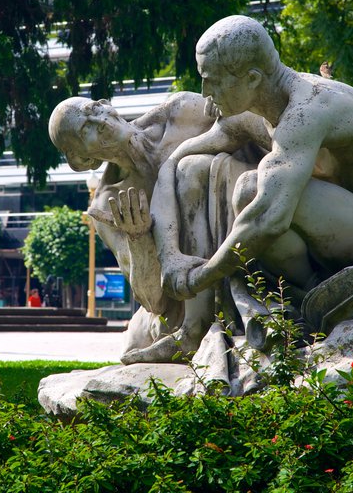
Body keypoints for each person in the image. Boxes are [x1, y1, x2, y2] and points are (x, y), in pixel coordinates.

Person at [153, 15, 353, 306]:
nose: (204, 93)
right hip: (352, 212)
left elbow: (268, 218)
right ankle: (309, 296)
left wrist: (200, 277)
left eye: (213, 81)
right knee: (252, 190)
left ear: (252, 79)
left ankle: (312, 300)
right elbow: (178, 159)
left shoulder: (308, 110)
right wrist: (170, 256)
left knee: (253, 191)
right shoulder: (262, 105)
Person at [48, 92, 226, 363]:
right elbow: (154, 301)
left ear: (106, 104)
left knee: (193, 170)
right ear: (83, 160)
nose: (101, 120)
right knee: (135, 342)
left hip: (240, 234)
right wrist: (138, 238)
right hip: (183, 295)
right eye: (87, 128)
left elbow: (252, 126)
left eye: (95, 108)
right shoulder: (109, 204)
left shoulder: (181, 111)